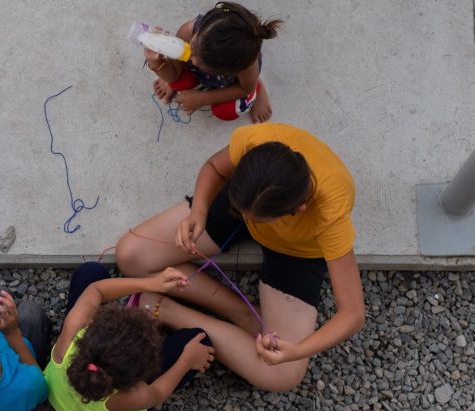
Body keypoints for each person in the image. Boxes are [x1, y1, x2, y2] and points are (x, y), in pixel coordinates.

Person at [115, 122, 366, 392]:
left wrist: (296, 351)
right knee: (131, 256)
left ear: (299, 209)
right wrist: (198, 211)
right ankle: (244, 313)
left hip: (297, 252)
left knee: (284, 375)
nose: (248, 222)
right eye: (244, 213)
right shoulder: (257, 139)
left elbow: (352, 313)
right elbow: (214, 167)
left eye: (256, 219)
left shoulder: (331, 211)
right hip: (249, 200)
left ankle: (167, 310)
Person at [44, 263, 214, 411]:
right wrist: (187, 360)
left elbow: (96, 290)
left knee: (90, 272)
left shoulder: (74, 327)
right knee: (200, 340)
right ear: (137, 377)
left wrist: (152, 283)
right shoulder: (133, 396)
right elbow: (159, 392)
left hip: (58, 397)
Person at [147, 2, 282, 123]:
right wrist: (156, 62)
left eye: (201, 63)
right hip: (214, 72)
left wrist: (203, 98)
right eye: (192, 47)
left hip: (238, 81)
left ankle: (257, 84)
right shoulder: (188, 32)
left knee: (226, 112)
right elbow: (174, 71)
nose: (191, 59)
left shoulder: (246, 66)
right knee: (176, 81)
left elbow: (243, 89)